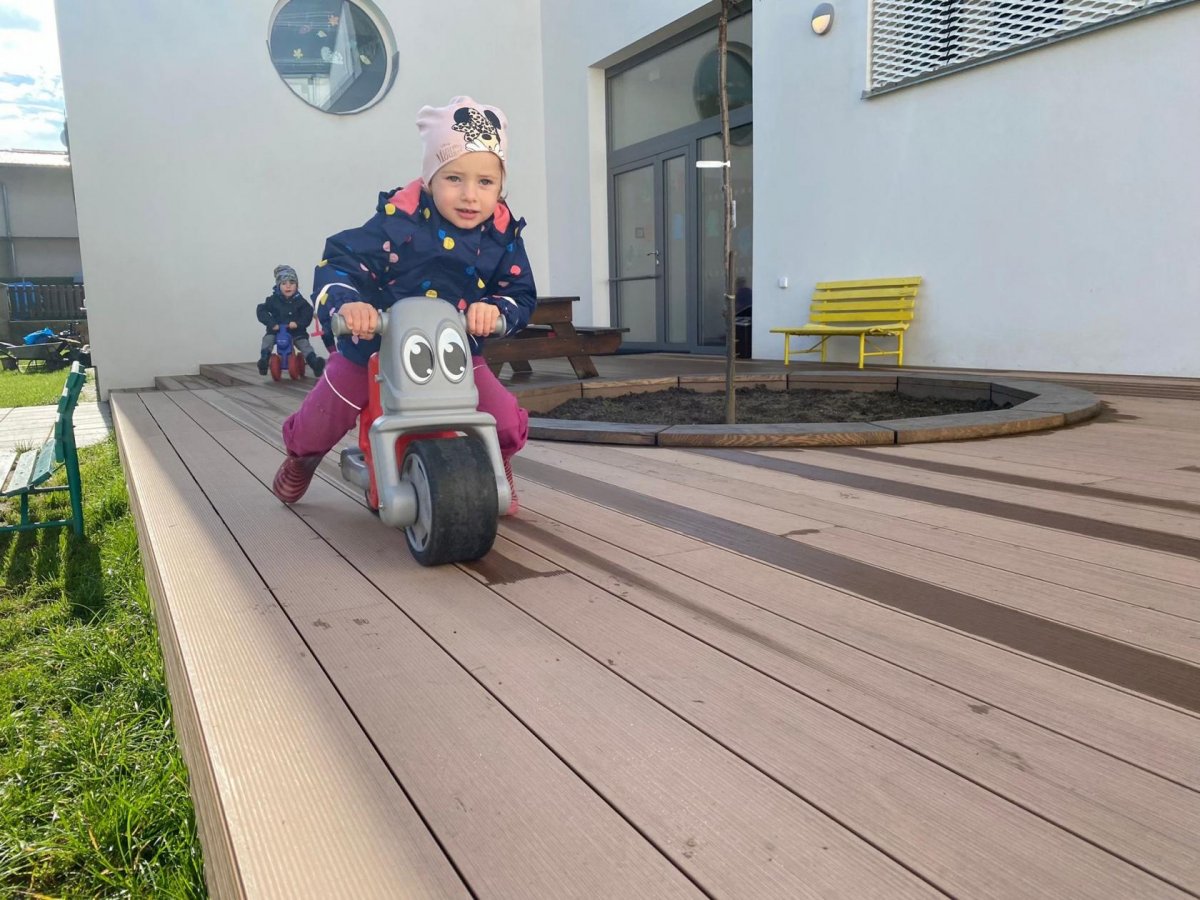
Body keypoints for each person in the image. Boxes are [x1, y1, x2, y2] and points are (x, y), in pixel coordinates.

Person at [272, 96, 535, 514]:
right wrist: (349, 304)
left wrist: (497, 310)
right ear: (430, 179)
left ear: (500, 186)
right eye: (454, 178)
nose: (470, 195)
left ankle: (496, 460)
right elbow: (341, 262)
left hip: (452, 352)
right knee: (323, 415)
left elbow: (519, 292)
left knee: (501, 416)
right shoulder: (400, 222)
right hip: (373, 347)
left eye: (485, 182)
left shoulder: (501, 237)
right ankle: (302, 457)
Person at [256, 265, 326, 378]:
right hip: (276, 330)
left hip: (296, 332)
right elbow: (261, 310)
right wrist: (271, 323)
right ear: (278, 286)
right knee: (267, 341)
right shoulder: (273, 300)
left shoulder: (301, 301)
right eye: (284, 283)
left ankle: (315, 363)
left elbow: (307, 313)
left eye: (292, 283)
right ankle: (264, 361)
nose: (288, 286)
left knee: (304, 345)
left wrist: (298, 323)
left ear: (297, 285)